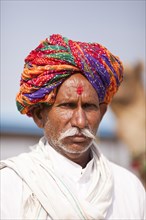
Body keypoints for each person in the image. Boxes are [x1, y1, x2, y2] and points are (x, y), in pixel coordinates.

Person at [0, 34, 145, 220]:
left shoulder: (129, 189)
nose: (80, 121)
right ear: (39, 115)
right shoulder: (10, 186)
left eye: (88, 106)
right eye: (67, 106)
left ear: (101, 113)